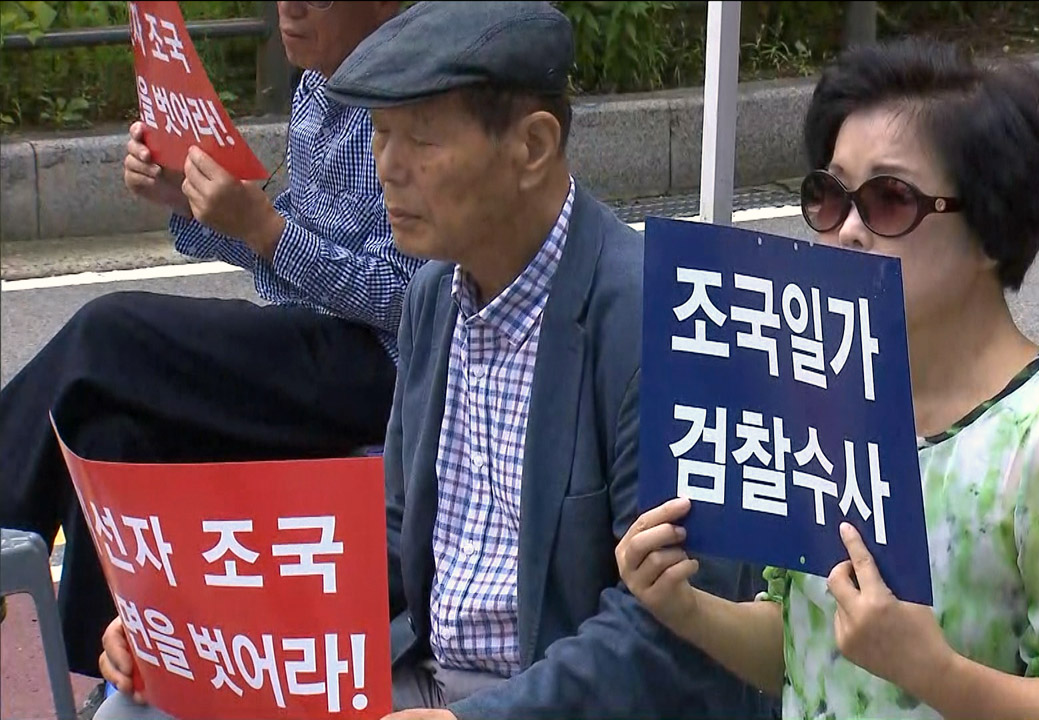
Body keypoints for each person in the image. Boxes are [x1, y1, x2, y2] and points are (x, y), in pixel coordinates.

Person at [94, 3, 773, 720]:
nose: (388, 168)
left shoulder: (662, 328)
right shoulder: (435, 295)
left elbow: (670, 635)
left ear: (533, 146)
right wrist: (195, 626)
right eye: (380, 134)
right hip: (426, 671)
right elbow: (392, 538)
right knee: (142, 708)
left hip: (553, 697)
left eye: (420, 140)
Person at [617, 39, 1039, 719]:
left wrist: (932, 671)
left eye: (890, 200)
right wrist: (685, 608)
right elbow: (808, 648)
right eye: (829, 197)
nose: (849, 230)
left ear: (992, 229)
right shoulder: (826, 403)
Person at [0, 0, 418, 695]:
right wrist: (192, 202)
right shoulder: (318, 89)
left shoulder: (416, 101)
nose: (289, 8)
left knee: (109, 337)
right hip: (306, 340)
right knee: (110, 432)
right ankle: (86, 679)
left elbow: (411, 295)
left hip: (383, 368)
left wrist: (266, 229)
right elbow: (288, 260)